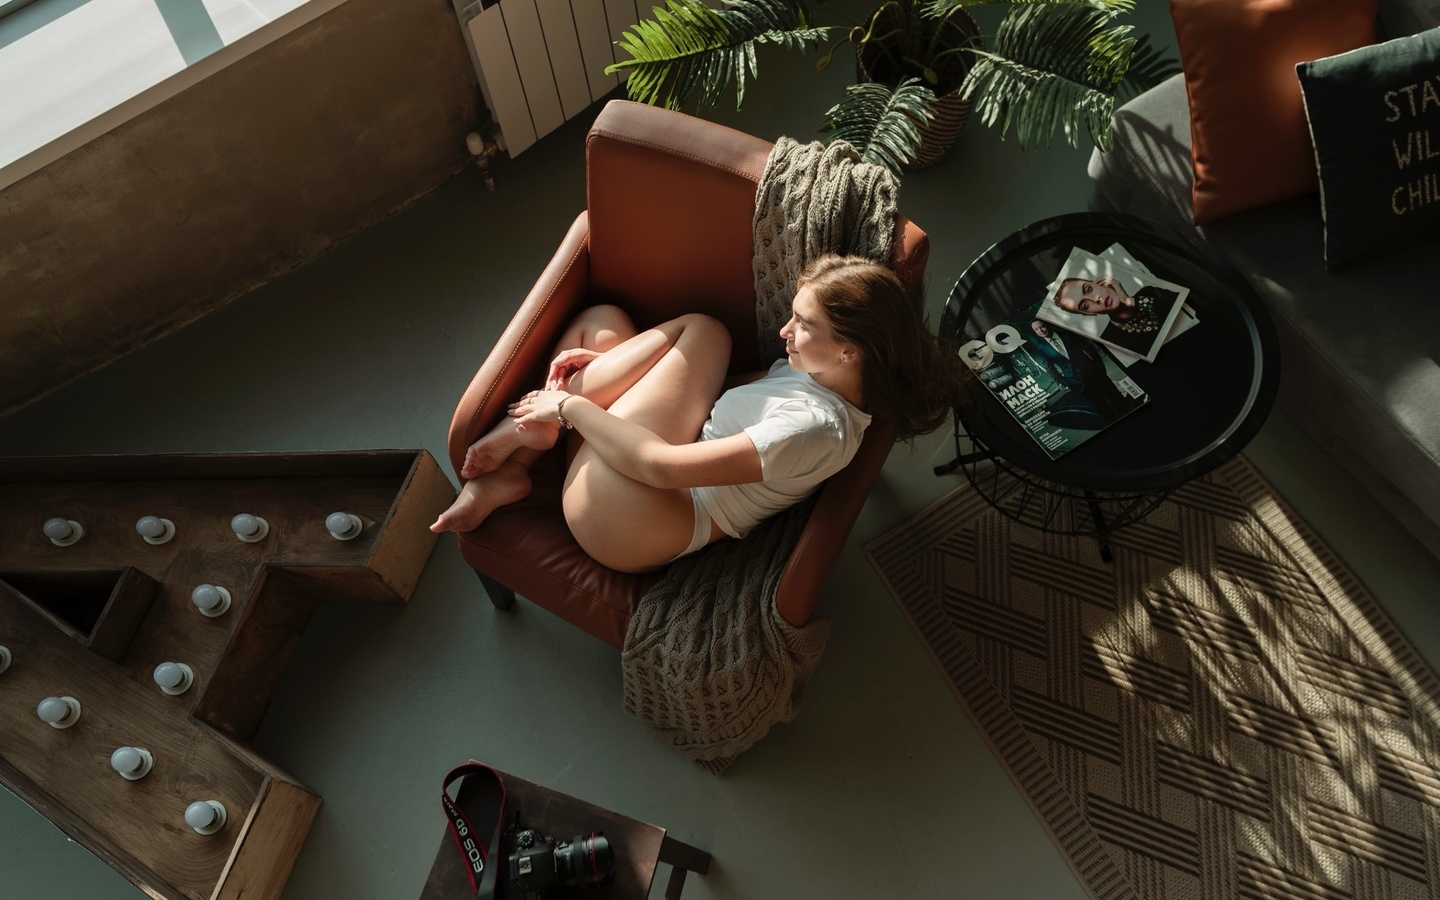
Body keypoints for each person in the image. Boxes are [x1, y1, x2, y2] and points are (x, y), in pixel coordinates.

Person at [430, 255, 969, 573]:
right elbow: (718, 391)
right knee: (601, 323)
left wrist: (569, 405)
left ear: (852, 348)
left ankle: (528, 435)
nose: (784, 332)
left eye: (803, 325)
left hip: (628, 519)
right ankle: (509, 476)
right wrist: (621, 370)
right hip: (639, 477)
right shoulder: (819, 371)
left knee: (704, 331)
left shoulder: (814, 431)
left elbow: (662, 466)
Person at [1027, 319, 1140, 423]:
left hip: (1094, 373)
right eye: (1036, 329)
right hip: (1076, 381)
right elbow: (1050, 369)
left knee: (1115, 397)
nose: (1040, 330)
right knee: (1100, 407)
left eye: (1042, 327)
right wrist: (1066, 382)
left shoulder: (1066, 334)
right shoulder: (1041, 348)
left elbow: (1089, 348)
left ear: (1047, 325)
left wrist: (1099, 366)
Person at [1051, 273, 1176, 356]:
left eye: (1089, 289)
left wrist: (1130, 301)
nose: (1096, 298)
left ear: (1098, 282)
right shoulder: (1110, 341)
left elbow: (1182, 305)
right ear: (1089, 314)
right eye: (1085, 305)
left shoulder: (1149, 292)